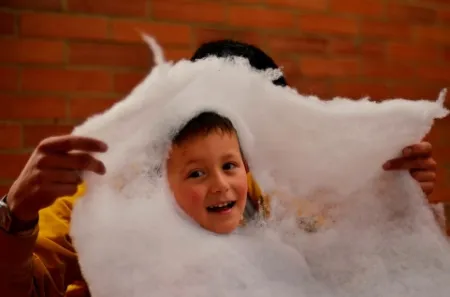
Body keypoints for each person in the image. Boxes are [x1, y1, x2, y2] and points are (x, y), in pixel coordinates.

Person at [0, 39, 440, 297]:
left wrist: (393, 200)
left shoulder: (261, 200)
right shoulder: (107, 207)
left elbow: (348, 264)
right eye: (197, 168)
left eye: (235, 160)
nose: (228, 179)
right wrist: (15, 216)